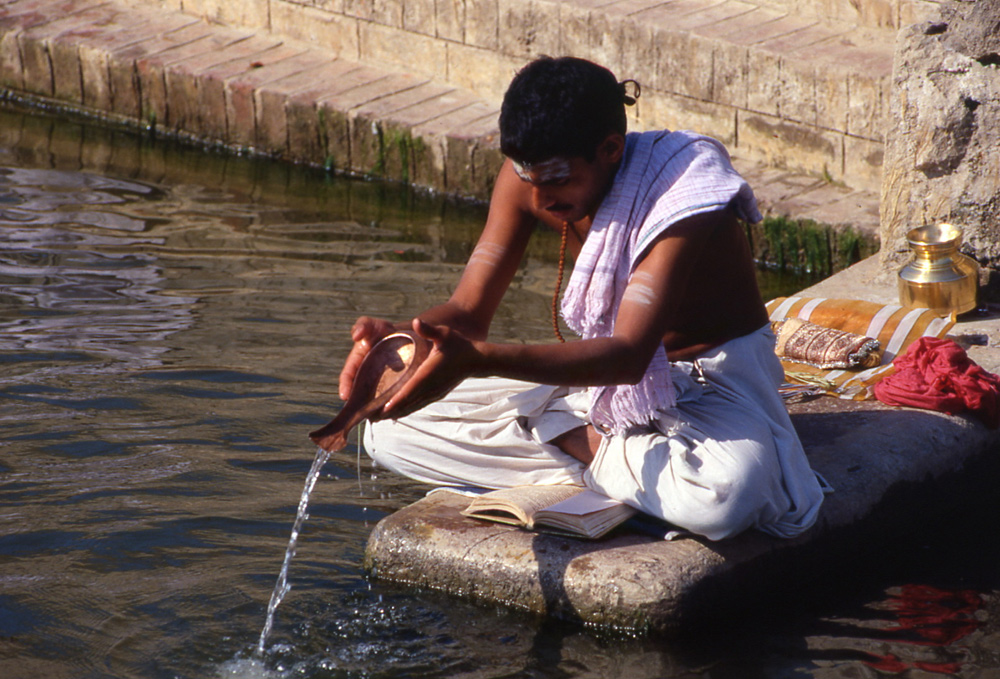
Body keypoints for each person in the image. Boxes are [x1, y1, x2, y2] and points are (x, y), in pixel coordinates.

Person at [338, 56, 827, 541]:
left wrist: (480, 362)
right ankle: (607, 454)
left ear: (610, 149)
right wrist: (402, 343)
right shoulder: (529, 179)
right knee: (387, 428)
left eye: (557, 180)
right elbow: (467, 313)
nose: (542, 199)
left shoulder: (684, 194)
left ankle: (577, 440)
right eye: (530, 179)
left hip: (712, 380)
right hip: (593, 386)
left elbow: (630, 355)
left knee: (727, 498)